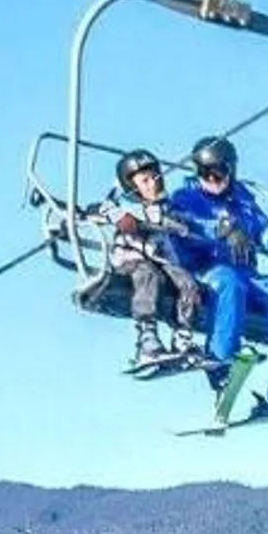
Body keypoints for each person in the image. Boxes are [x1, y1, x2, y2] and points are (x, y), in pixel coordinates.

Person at [166, 134, 268, 415]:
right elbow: (182, 226)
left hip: (246, 272)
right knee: (228, 282)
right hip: (205, 270)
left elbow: (264, 231)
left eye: (219, 172)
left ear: (231, 169)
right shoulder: (185, 198)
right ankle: (221, 359)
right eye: (205, 172)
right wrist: (220, 230)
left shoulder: (243, 200)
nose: (212, 179)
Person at [57, 150, 204, 374]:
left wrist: (179, 226)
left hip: (162, 261)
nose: (153, 184)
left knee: (187, 283)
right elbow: (97, 210)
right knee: (148, 276)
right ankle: (148, 339)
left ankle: (182, 338)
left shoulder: (166, 208)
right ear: (130, 186)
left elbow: (184, 225)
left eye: (156, 178)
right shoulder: (120, 205)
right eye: (145, 181)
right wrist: (120, 218)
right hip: (131, 261)